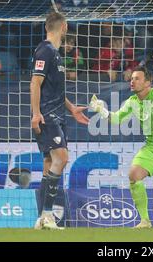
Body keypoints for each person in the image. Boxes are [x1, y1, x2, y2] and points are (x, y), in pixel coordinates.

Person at [89, 49, 153, 229]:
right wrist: (100, 110)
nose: (132, 81)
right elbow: (116, 119)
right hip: (151, 147)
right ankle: (145, 221)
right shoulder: (132, 101)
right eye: (132, 78)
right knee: (134, 176)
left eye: (137, 78)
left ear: (148, 83)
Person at [31, 12, 89, 230]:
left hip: (58, 114)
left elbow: (54, 89)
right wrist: (36, 113)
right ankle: (47, 214)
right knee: (62, 158)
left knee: (49, 164)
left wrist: (72, 108)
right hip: (47, 115)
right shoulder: (45, 50)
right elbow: (35, 83)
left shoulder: (55, 54)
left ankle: (42, 218)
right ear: (63, 26)